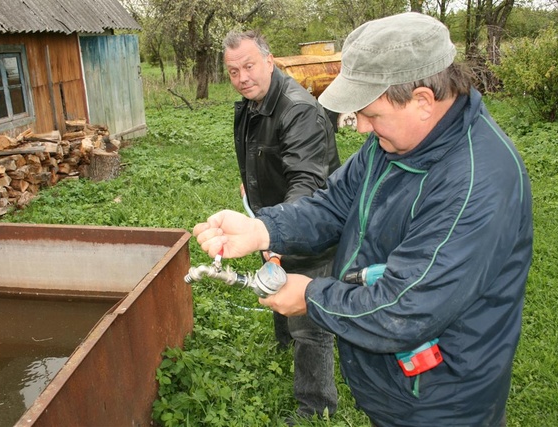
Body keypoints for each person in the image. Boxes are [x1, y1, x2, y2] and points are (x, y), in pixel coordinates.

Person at [196, 13, 533, 427]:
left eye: (371, 114)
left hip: (440, 401)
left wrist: (312, 297)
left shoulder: (477, 183)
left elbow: (406, 307)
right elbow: (334, 203)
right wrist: (263, 228)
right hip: (392, 384)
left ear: (423, 101)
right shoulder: (392, 143)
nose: (362, 129)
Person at [221, 30, 341, 420]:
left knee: (308, 314)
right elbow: (265, 153)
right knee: (277, 275)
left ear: (270, 62)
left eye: (249, 66)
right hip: (273, 216)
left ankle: (316, 405)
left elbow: (307, 183)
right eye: (233, 70)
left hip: (309, 225)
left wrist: (278, 231)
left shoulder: (299, 110)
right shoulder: (252, 102)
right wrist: (252, 180)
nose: (242, 76)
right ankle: (282, 344)